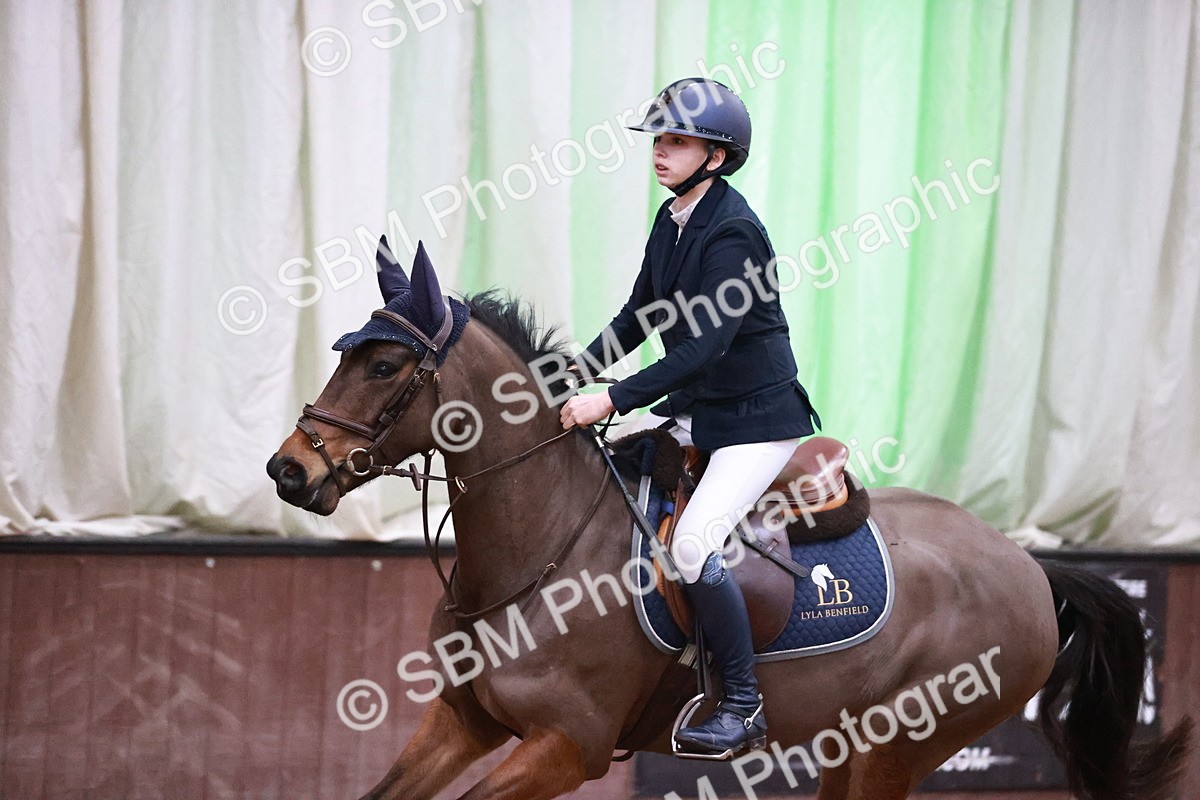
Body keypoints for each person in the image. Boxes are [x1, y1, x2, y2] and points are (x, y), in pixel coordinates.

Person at [559, 78, 820, 757]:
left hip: (755, 419)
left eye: (676, 140)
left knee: (692, 544)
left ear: (717, 155)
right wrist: (568, 372)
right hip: (701, 408)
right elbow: (638, 317)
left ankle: (742, 702)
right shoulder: (672, 219)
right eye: (659, 139)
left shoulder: (733, 231)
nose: (659, 151)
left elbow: (705, 347)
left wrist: (612, 399)